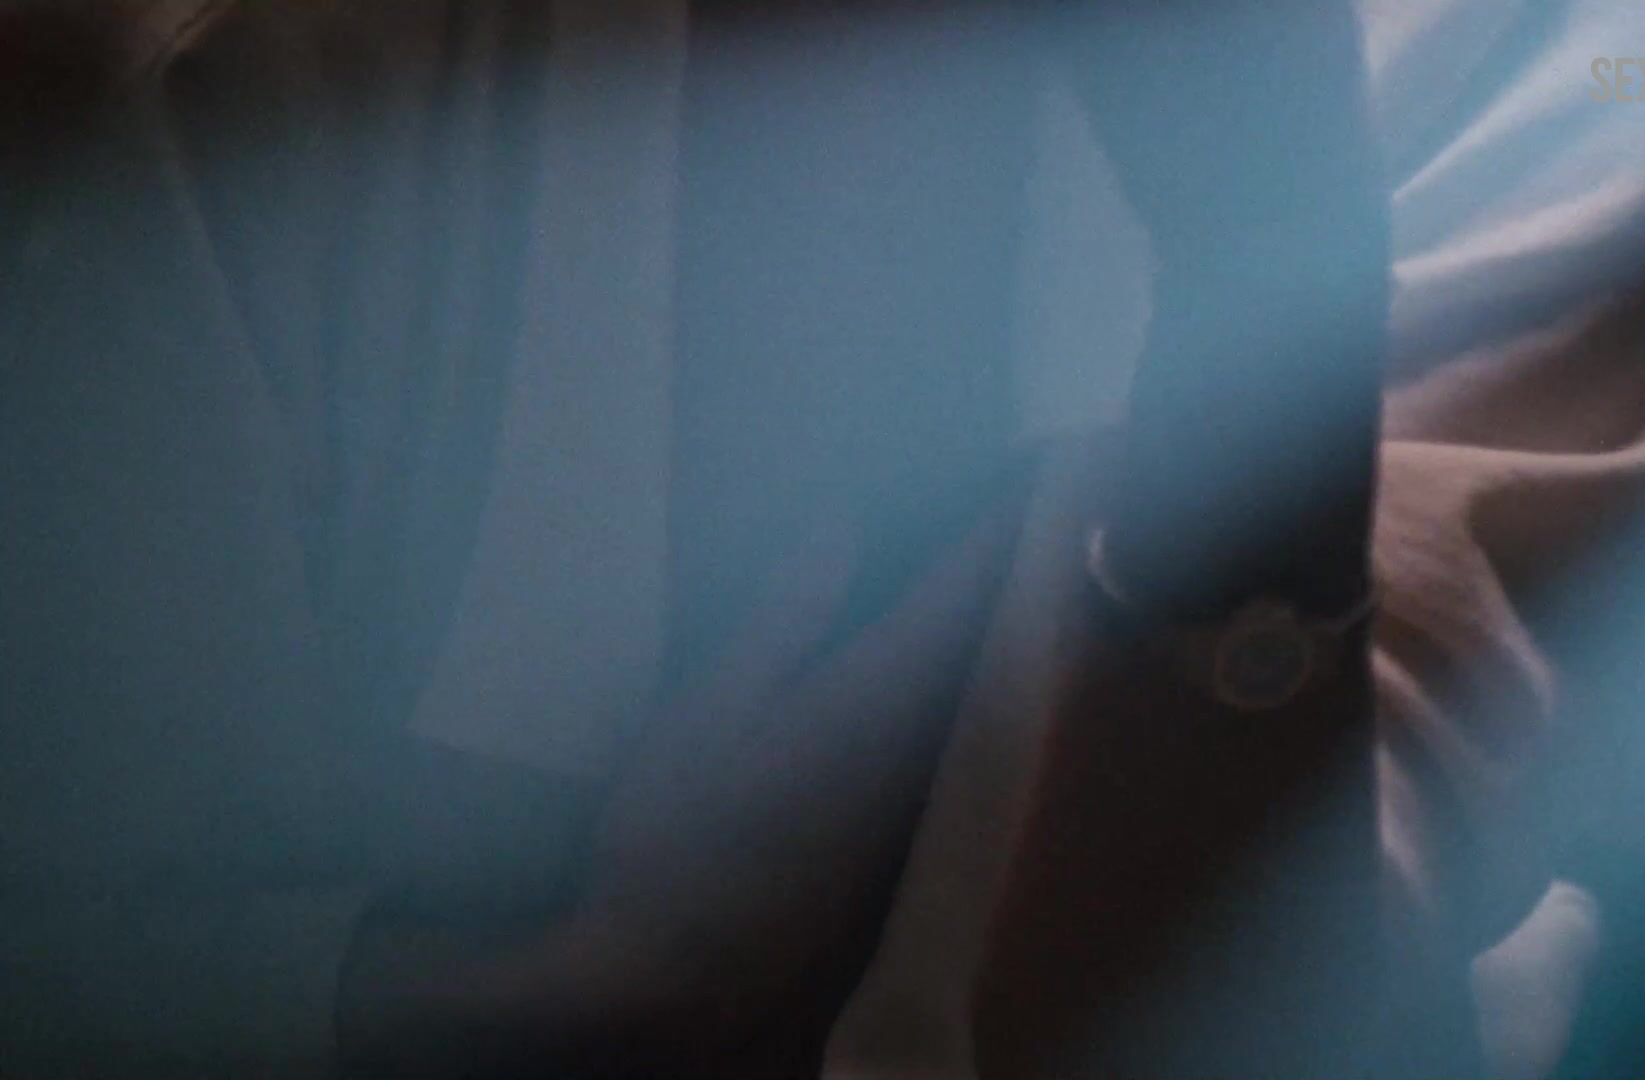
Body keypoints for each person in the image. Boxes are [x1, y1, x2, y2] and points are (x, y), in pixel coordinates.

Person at [0, 0, 1391, 1074]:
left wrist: (1293, 285)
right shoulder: (233, 115)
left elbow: (1339, 973)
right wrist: (582, 988)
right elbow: (67, 964)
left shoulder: (1303, 105)